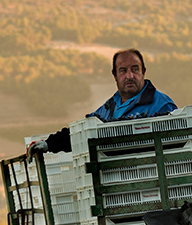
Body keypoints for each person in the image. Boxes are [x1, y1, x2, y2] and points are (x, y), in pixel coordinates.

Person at [27, 48, 178, 158]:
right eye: (123, 70)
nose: (129, 76)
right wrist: (50, 144)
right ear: (115, 75)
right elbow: (84, 131)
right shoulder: (108, 109)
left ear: (143, 71)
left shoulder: (162, 106)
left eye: (135, 69)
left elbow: (175, 147)